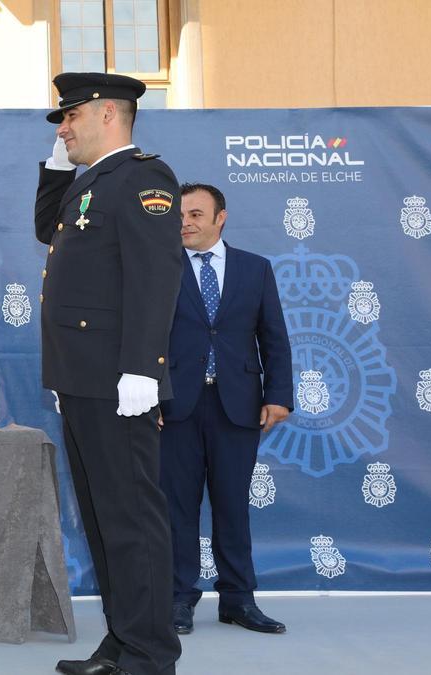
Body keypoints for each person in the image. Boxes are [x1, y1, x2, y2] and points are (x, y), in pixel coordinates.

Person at [34, 72, 183, 675]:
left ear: (107, 115)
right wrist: (55, 167)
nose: (63, 128)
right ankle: (122, 642)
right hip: (82, 379)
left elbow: (156, 274)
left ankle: (150, 653)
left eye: (70, 118)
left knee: (132, 519)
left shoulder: (144, 177)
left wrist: (142, 369)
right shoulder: (91, 183)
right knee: (102, 519)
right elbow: (49, 229)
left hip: (120, 380)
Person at [158, 183, 292, 636]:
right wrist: (149, 397)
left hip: (238, 406)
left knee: (234, 505)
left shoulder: (255, 269)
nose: (186, 222)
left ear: (221, 218)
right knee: (178, 507)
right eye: (179, 215)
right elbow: (143, 338)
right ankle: (178, 599)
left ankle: (238, 599)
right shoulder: (158, 267)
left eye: (196, 214)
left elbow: (273, 336)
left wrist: (278, 395)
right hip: (175, 405)